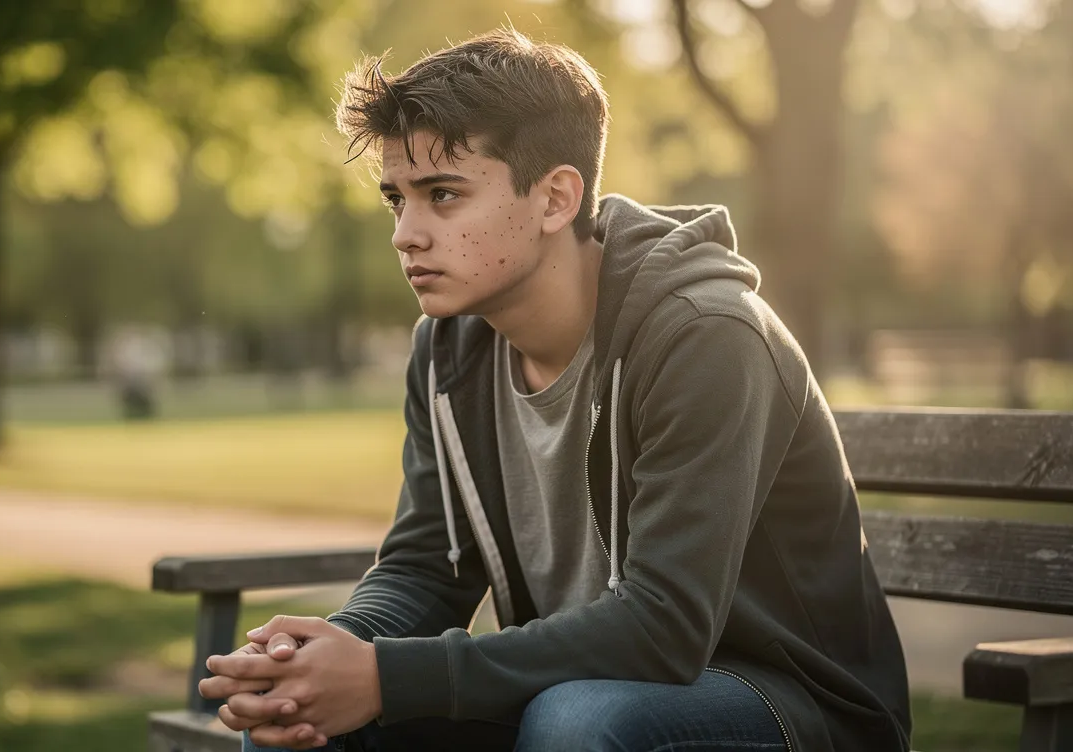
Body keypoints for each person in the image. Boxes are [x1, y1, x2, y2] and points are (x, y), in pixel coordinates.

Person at [198, 28, 912, 752]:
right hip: (581, 683)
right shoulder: (448, 351)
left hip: (789, 704)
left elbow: (665, 625)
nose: (406, 234)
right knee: (305, 720)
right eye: (396, 200)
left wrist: (385, 676)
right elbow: (425, 567)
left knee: (577, 722)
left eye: (442, 194)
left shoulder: (706, 335)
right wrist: (330, 655)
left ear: (555, 198)